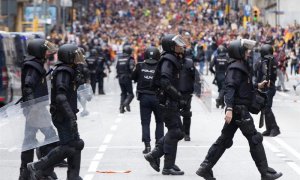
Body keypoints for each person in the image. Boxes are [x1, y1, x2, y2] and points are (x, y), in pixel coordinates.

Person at [196, 39, 282, 180]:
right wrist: (229, 108)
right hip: (239, 110)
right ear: (239, 51)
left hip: (237, 110)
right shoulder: (236, 67)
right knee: (255, 139)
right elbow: (230, 88)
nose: (248, 53)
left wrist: (259, 86)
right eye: (245, 50)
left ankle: (205, 167)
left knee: (224, 140)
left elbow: (244, 87)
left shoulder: (240, 65)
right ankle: (265, 172)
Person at [27, 44, 86, 180]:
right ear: (68, 57)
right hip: (62, 115)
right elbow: (60, 97)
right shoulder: (63, 71)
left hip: (67, 114)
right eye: (75, 55)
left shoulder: (69, 69)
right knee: (68, 147)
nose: (78, 57)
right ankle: (37, 166)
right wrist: (70, 117)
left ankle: (73, 176)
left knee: (77, 145)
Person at [144, 34, 186, 175]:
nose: (182, 47)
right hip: (167, 102)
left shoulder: (174, 58)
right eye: (178, 45)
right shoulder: (168, 60)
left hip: (171, 101)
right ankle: (165, 165)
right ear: (171, 47)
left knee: (178, 132)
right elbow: (165, 82)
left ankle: (159, 157)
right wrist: (178, 96)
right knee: (175, 132)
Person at [19, 39, 60, 180]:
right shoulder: (33, 67)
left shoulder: (35, 64)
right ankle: (42, 169)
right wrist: (32, 108)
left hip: (36, 108)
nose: (46, 53)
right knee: (51, 138)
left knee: (29, 140)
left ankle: (26, 173)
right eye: (44, 50)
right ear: (38, 51)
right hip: (36, 109)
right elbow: (28, 86)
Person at [132, 46, 164, 154]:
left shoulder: (140, 66)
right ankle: (159, 146)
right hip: (158, 97)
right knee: (160, 121)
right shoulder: (161, 66)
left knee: (145, 123)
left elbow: (133, 77)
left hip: (144, 98)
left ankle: (147, 146)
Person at [255, 44, 280, 137]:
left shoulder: (269, 61)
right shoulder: (269, 61)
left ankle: (275, 128)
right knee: (265, 109)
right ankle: (269, 129)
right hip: (265, 86)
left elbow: (268, 75)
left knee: (267, 108)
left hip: (269, 87)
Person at [179, 56, 196, 141]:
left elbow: (194, 76)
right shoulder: (170, 60)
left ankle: (185, 133)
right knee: (185, 114)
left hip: (184, 91)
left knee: (185, 114)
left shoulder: (189, 62)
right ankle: (185, 133)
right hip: (183, 91)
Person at [116, 45, 135, 113]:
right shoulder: (130, 58)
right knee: (131, 94)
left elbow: (117, 67)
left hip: (120, 78)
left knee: (123, 93)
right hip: (127, 78)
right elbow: (132, 68)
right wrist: (134, 76)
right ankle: (125, 104)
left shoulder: (119, 58)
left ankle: (121, 108)